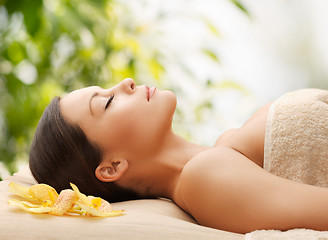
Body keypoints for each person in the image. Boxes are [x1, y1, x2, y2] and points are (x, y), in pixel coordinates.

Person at [29, 78, 328, 234]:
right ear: (112, 167)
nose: (126, 83)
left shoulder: (221, 151)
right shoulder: (204, 177)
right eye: (107, 102)